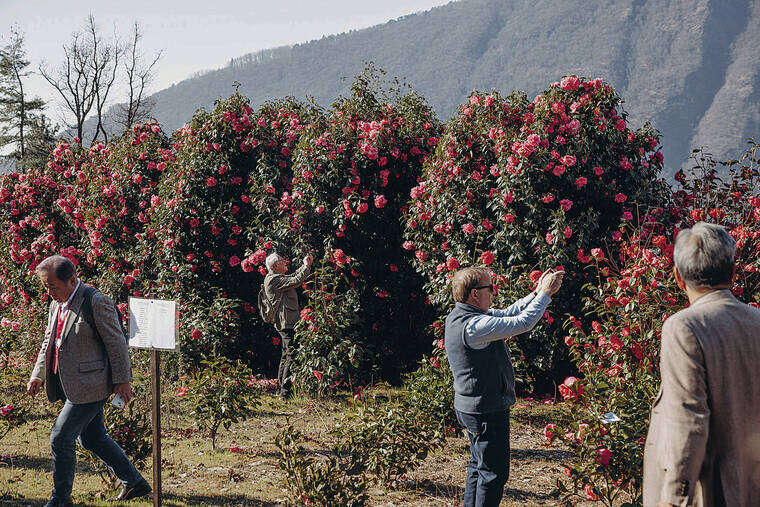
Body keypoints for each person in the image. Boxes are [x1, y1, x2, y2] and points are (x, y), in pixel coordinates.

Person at [643, 222, 760, 506]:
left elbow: (688, 421)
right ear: (733, 273)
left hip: (708, 491)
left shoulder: (683, 327)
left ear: (678, 278)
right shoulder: (756, 322)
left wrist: (673, 499)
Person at [26, 255, 151, 507]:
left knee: (60, 437)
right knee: (91, 438)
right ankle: (134, 483)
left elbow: (116, 344)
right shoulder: (55, 305)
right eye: (45, 286)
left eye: (53, 286)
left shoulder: (95, 301)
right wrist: (37, 374)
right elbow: (49, 342)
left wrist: (123, 381)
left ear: (71, 280)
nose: (49, 292)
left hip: (92, 384)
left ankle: (60, 500)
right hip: (70, 383)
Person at [445, 265, 564, 506]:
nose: (494, 293)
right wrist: (545, 295)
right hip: (485, 409)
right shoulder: (475, 326)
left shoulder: (463, 317)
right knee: (493, 474)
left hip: (473, 406)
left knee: (479, 467)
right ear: (475, 294)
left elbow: (510, 312)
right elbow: (522, 322)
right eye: (490, 288)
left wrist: (537, 292)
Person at [263, 251, 313, 398]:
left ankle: (281, 390)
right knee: (290, 356)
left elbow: (292, 277)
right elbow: (296, 280)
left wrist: (305, 265)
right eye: (282, 261)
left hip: (287, 322)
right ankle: (284, 392)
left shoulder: (277, 278)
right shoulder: (273, 280)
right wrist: (305, 265)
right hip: (286, 323)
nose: (285, 262)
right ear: (275, 266)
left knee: (286, 356)